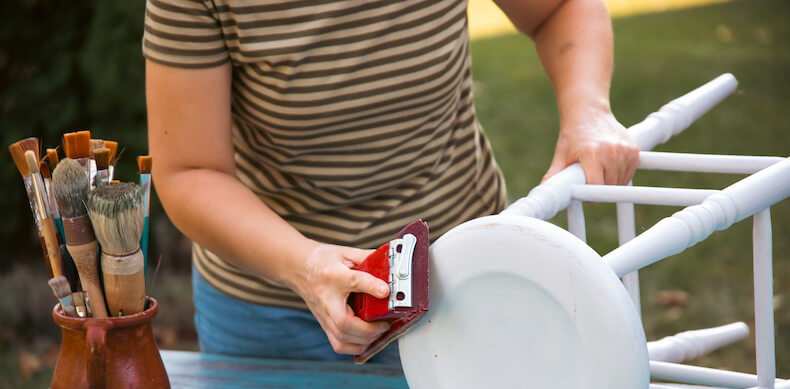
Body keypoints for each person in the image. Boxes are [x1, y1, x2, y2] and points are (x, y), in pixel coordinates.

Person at [142, 0, 639, 363]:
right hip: (274, 317)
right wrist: (304, 266)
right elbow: (189, 170)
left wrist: (588, 111)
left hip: (463, 279)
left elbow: (558, 9)